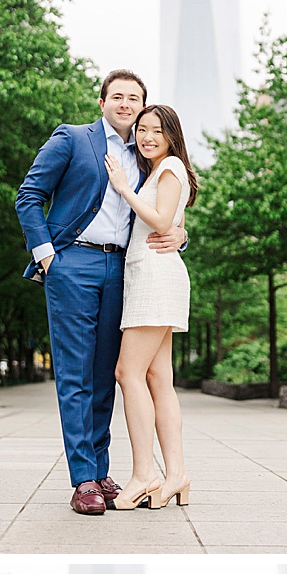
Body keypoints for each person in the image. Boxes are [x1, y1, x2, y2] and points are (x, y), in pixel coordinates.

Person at [14, 70, 187, 515]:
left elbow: (161, 208)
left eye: (135, 98)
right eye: (118, 96)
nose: (126, 104)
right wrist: (47, 254)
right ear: (102, 101)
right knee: (75, 375)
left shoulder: (147, 155)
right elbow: (29, 195)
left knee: (109, 373)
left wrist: (180, 235)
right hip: (73, 262)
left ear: (143, 104)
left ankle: (103, 470)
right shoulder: (73, 139)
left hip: (124, 271)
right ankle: (83, 480)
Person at [107, 104, 197, 509]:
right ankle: (176, 474)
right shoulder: (159, 170)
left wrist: (124, 188)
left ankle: (145, 473)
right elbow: (168, 223)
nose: (147, 137)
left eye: (156, 131)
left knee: (128, 372)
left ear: (171, 135)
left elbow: (161, 222)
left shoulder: (170, 167)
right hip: (153, 275)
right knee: (159, 379)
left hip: (155, 278)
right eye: (142, 130)